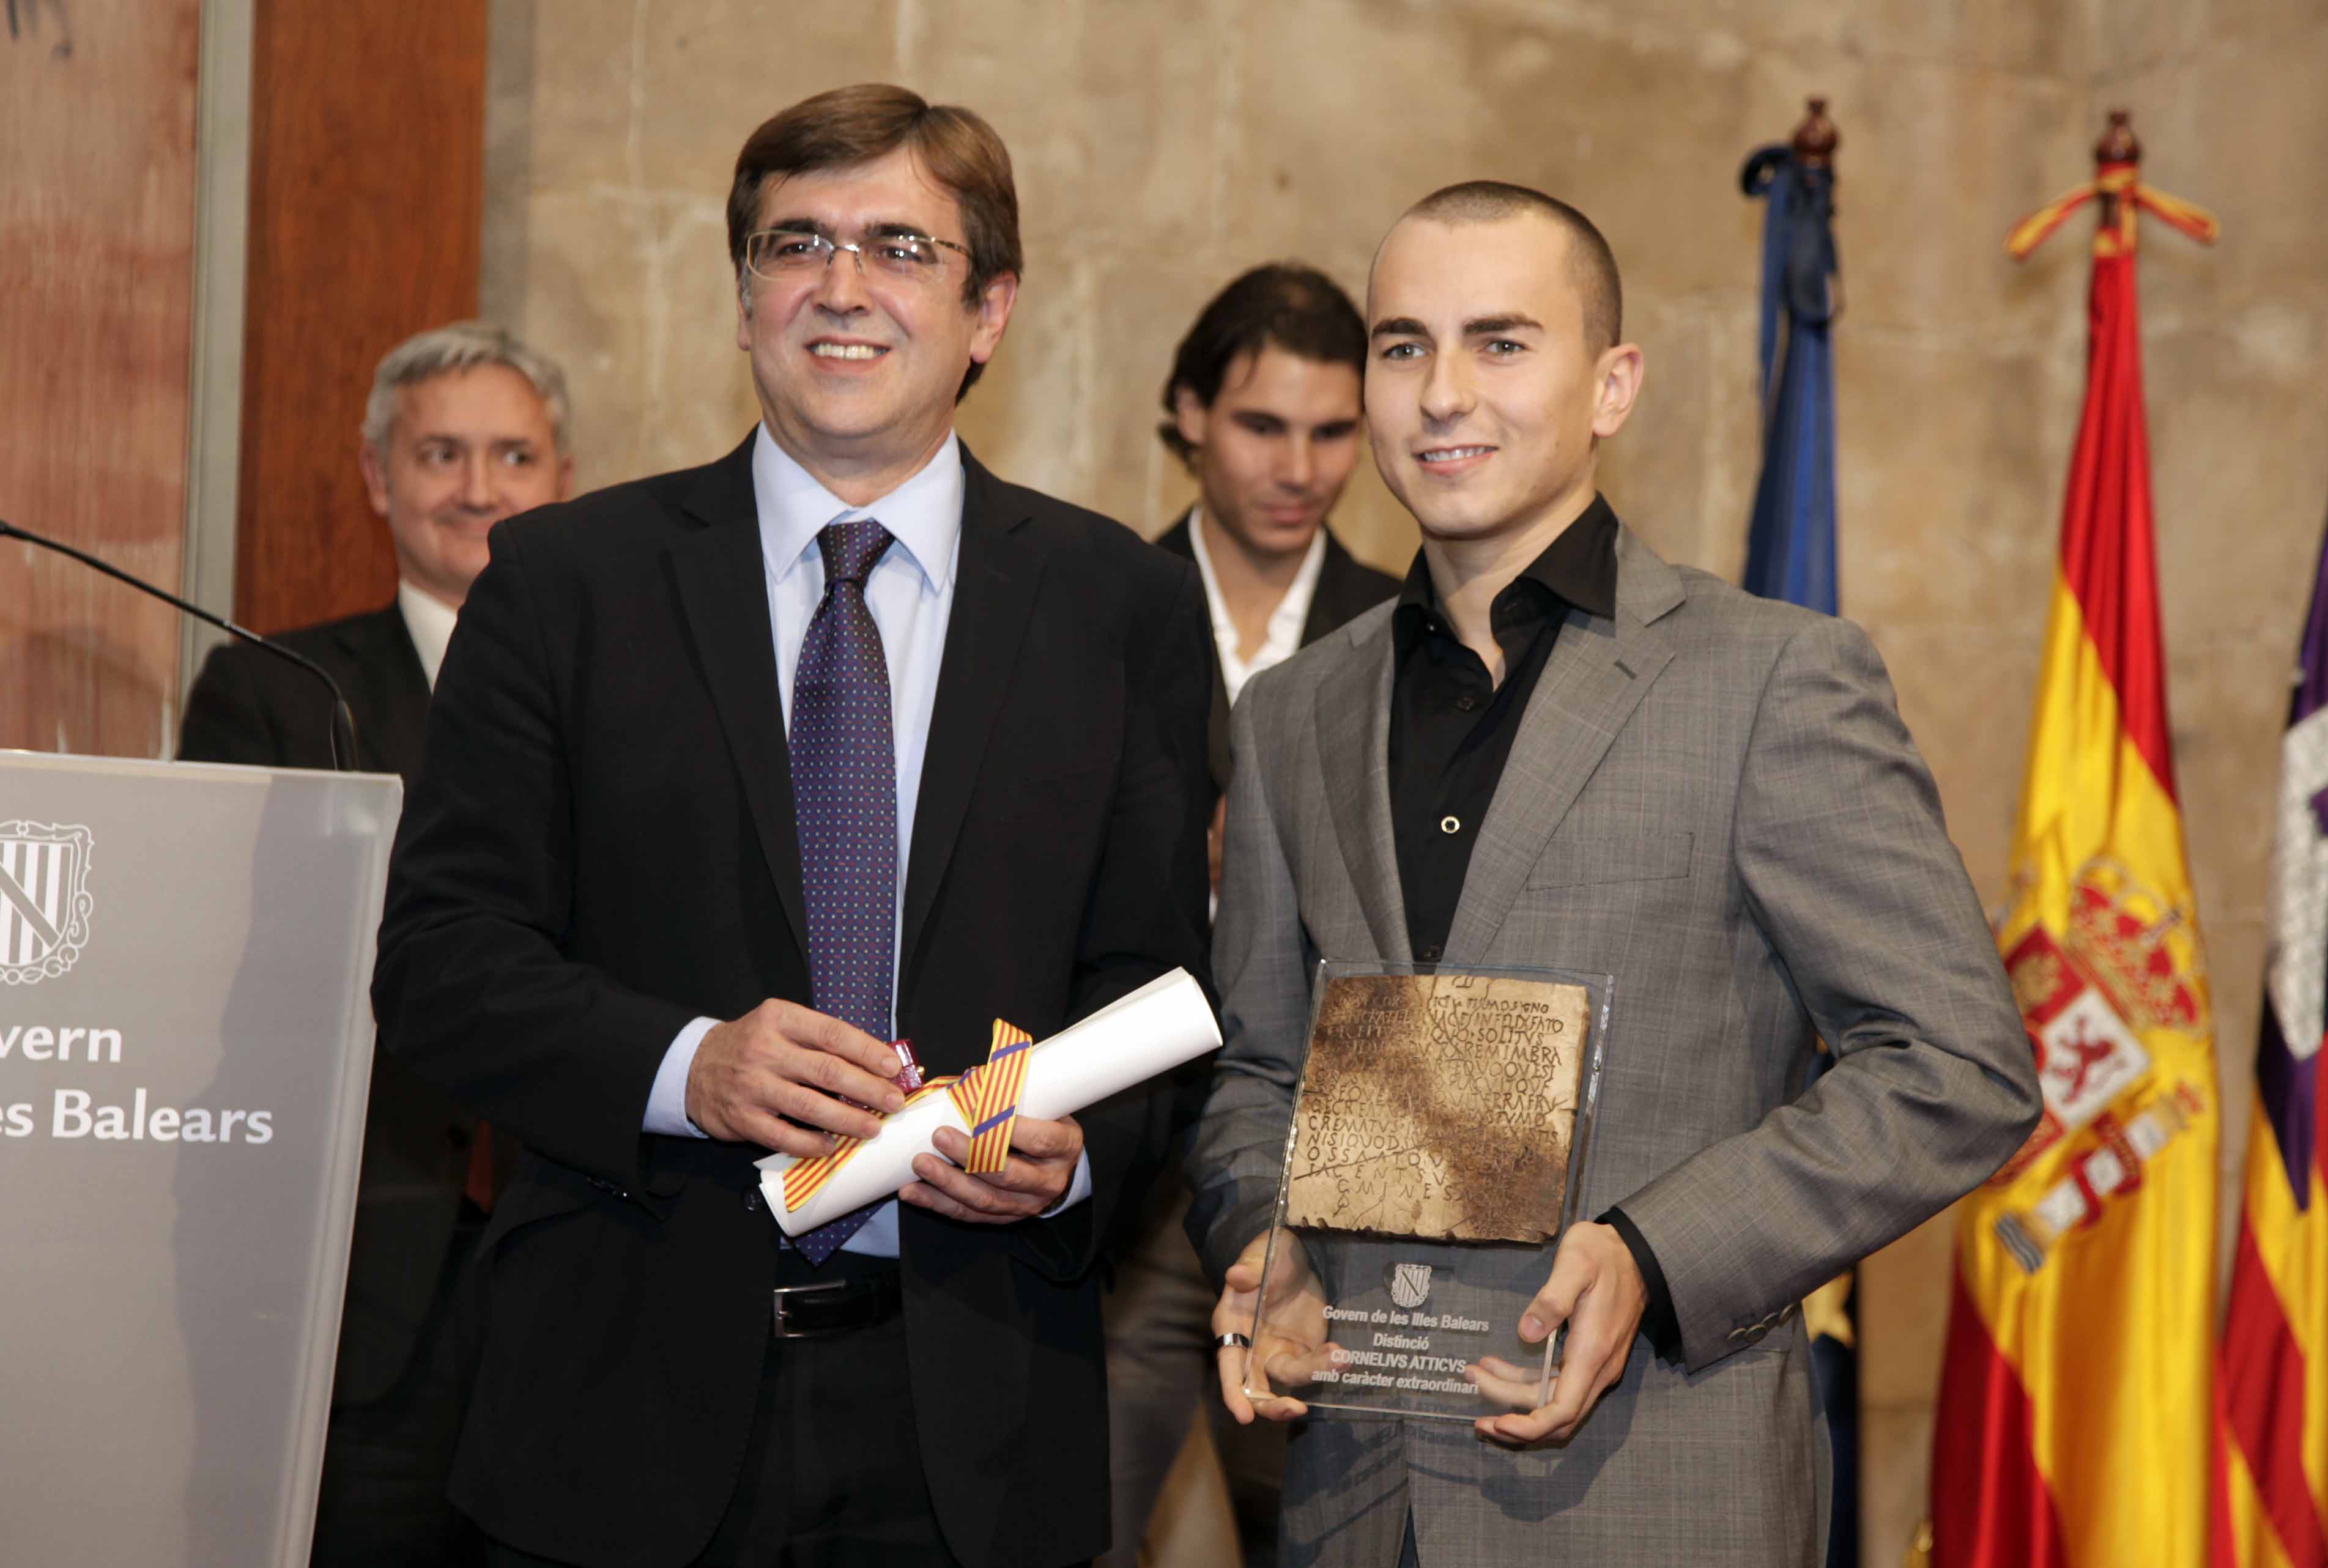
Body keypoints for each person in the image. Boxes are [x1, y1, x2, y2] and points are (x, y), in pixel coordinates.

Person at [371, 84, 1210, 1568]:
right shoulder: (564, 584)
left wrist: (1076, 1157)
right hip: (616, 1409)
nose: (841, 285)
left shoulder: (1117, 606)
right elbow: (440, 962)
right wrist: (687, 1067)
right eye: (797, 243)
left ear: (990, 309)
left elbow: (1155, 975)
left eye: (900, 247)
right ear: (744, 293)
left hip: (976, 1418)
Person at [1184, 181, 2040, 1566]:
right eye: (1403, 347)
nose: (1443, 393)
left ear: (1612, 385)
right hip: (1358, 1499)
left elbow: (1958, 1066)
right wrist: (1258, 1230)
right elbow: (1262, 1069)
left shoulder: (1771, 679)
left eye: (1501, 342)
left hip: (1652, 1487)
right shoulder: (1293, 712)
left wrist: (1656, 1250)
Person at [177, 319, 573, 1568]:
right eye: (440, 453)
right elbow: (238, 980)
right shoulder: (275, 690)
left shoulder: (626, 691)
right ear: (377, 476)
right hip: (362, 1284)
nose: (478, 487)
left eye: (514, 455)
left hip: (582, 1269)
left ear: (564, 479)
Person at [1103, 264, 1397, 1568]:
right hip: (1125, 1154)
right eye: (1262, 426)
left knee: (1321, 1527)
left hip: (1320, 1168)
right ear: (1188, 413)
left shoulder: (1404, 628)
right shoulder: (1099, 605)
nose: (1299, 468)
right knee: (1075, 1511)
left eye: (1333, 432)